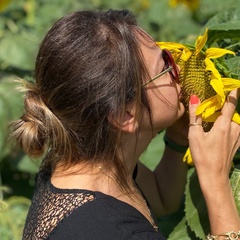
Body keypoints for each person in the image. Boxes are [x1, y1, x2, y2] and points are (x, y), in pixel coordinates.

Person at [9, 9, 240, 240]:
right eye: (166, 66)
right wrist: (216, 182)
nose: (179, 69)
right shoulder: (118, 233)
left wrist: (178, 141)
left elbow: (160, 198)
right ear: (124, 115)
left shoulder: (85, 161)